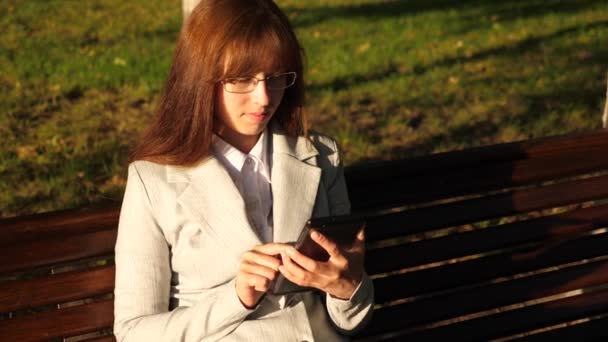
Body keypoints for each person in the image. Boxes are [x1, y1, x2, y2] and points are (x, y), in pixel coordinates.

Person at [113, 0, 374, 341]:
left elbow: (354, 317)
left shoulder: (320, 156)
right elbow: (133, 332)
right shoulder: (154, 180)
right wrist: (236, 298)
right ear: (198, 78)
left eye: (275, 77)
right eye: (241, 78)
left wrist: (345, 289)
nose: (264, 97)